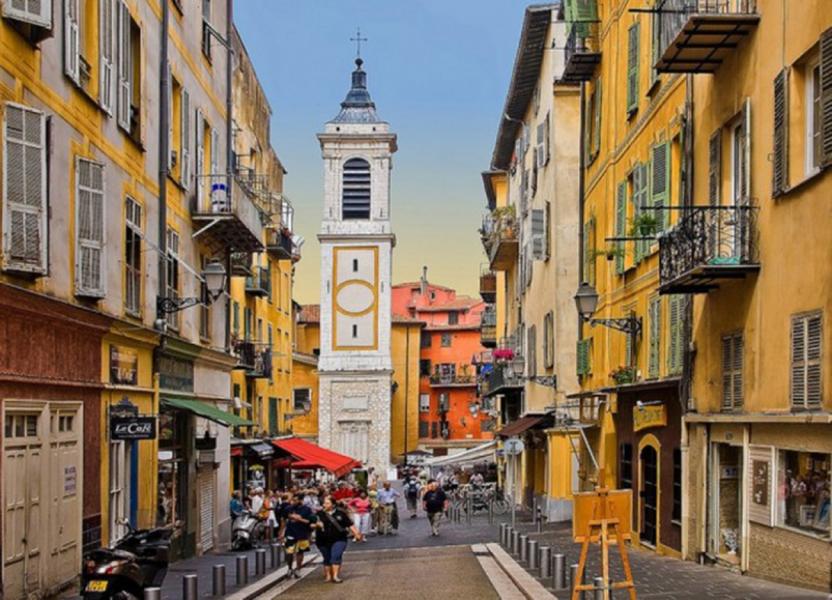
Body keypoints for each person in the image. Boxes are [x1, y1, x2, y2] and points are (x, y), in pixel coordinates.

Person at [314, 495, 361, 583]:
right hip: (322, 540)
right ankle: (328, 576)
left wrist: (356, 533)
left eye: (327, 503)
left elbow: (349, 524)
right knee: (327, 557)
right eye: (324, 503)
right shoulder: (319, 514)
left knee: (336, 556)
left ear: (333, 504)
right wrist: (316, 525)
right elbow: (311, 524)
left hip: (339, 538)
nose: (325, 505)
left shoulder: (341, 514)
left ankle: (335, 576)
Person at [280, 494, 316, 578]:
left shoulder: (307, 509)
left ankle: (298, 568)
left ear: (301, 500)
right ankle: (289, 568)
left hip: (302, 533)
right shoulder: (288, 508)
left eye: (296, 500)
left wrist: (298, 519)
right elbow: (283, 520)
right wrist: (281, 532)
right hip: (290, 532)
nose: (293, 502)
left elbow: (309, 522)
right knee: (289, 552)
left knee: (300, 551)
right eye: (293, 500)